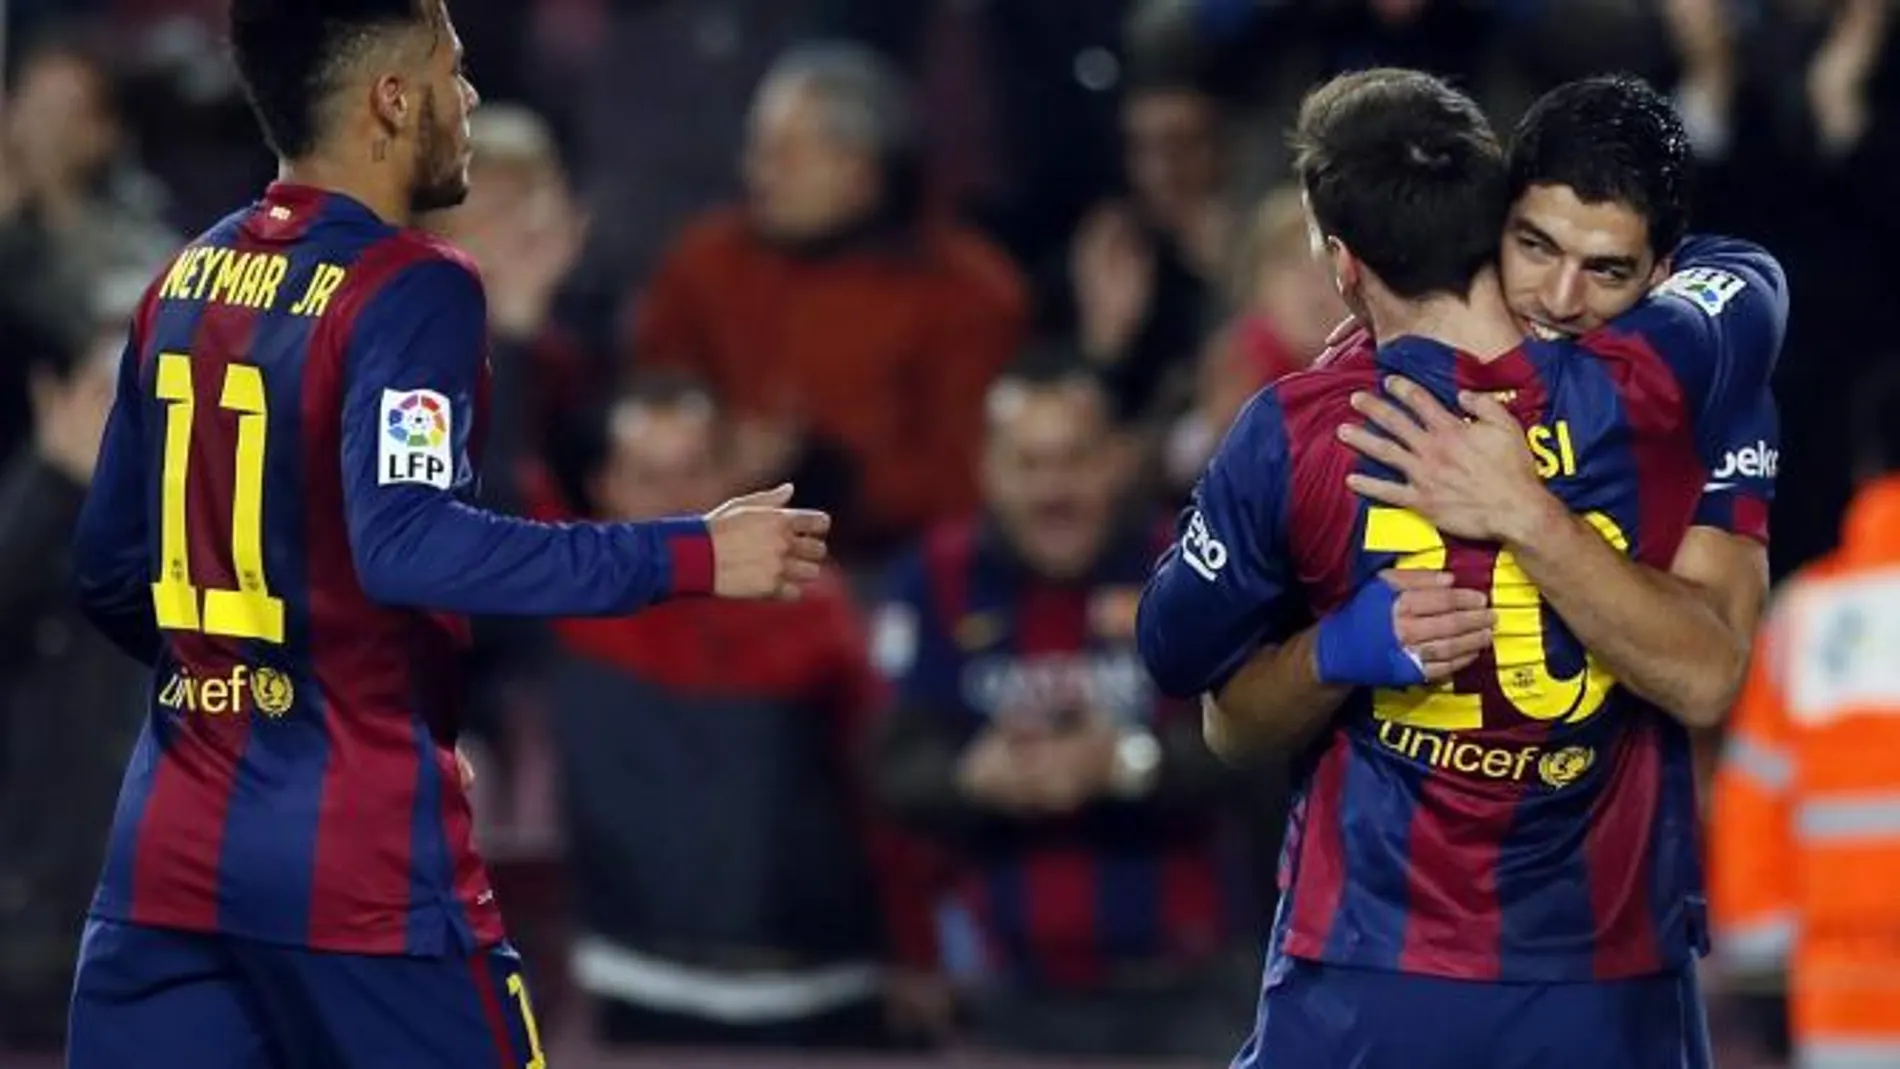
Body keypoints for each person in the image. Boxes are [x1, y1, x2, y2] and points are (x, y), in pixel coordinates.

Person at [65, 2, 830, 1067]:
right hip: (359, 871)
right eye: (453, 71)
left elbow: (107, 571)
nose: (467, 99)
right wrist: (692, 551)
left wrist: (250, 690)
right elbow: (408, 545)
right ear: (392, 98)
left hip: (163, 859)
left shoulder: (181, 279)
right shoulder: (412, 285)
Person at [1136, 68, 1784, 1068]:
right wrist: (1333, 656)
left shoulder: (1304, 428)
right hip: (1589, 979)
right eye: (1535, 247)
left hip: (1386, 966)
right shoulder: (1669, 381)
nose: (1564, 296)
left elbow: (1176, 657)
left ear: (1339, 261)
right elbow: (1751, 279)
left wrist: (1515, 518)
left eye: (1604, 270)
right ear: (1493, 219)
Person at [871, 354, 1255, 1060]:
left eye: (1074, 459)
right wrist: (973, 776)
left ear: (1116, 460)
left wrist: (1127, 764)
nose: (1053, 489)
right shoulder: (933, 578)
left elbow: (1258, 746)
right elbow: (893, 763)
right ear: (986, 467)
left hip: (1189, 987)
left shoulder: (1192, 564)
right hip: (999, 995)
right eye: (1028, 463)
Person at [1708, 364, 1900, 1069]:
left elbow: (1753, 802)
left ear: (1868, 464)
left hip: (1847, 1008)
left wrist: (1761, 981)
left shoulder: (1806, 617)